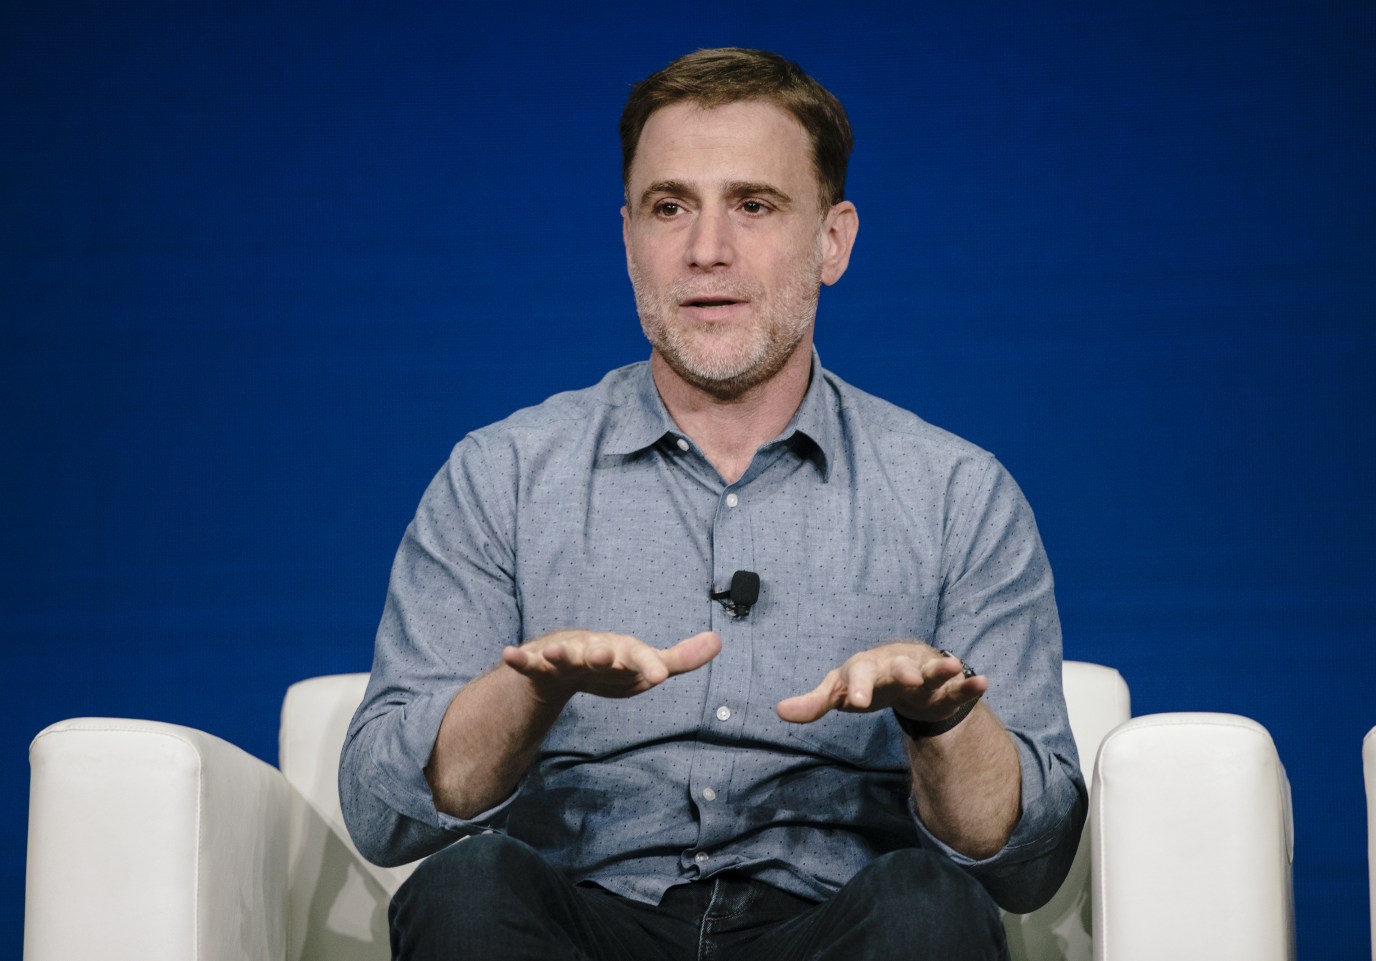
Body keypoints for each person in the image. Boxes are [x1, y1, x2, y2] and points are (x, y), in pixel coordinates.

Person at [340, 47, 1086, 961]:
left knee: (930, 906)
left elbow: (1030, 863)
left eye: (754, 205)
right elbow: (381, 813)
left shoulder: (957, 495)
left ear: (833, 240)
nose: (706, 250)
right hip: (580, 919)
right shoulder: (502, 474)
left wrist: (940, 716)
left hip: (834, 924)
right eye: (670, 207)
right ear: (628, 238)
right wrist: (531, 690)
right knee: (465, 888)